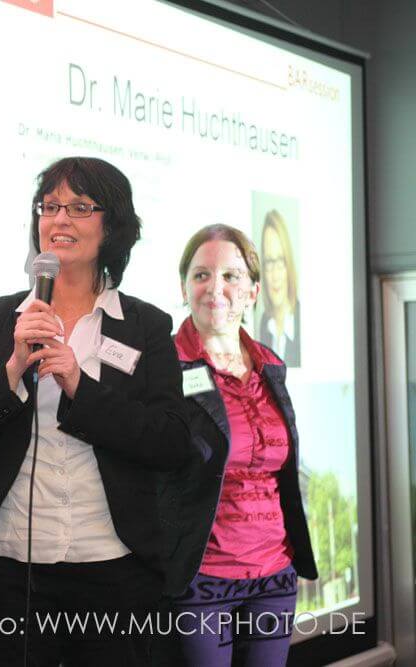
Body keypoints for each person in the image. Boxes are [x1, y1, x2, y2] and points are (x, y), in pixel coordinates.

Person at [0, 157, 192, 665]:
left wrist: (79, 385)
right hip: (6, 570)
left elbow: (171, 441)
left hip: (112, 571)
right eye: (49, 206)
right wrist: (10, 372)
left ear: (112, 225)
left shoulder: (144, 326)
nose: (59, 220)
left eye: (79, 207)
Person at [166, 224, 317, 666]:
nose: (216, 288)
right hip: (204, 578)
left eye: (231, 276)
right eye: (201, 275)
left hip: (275, 572)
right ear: (184, 286)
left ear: (253, 291)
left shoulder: (271, 366)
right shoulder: (164, 366)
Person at [257, 210, 300, 366]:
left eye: (280, 261)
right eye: (269, 262)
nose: (275, 275)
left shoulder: (303, 319)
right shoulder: (264, 324)